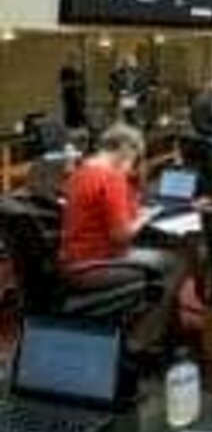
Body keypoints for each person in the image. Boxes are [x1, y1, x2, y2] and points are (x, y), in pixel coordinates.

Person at [60, 124, 186, 352]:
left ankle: (163, 331)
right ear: (125, 150)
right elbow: (122, 235)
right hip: (97, 266)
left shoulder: (82, 171)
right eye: (135, 156)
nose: (135, 162)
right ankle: (140, 340)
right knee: (175, 262)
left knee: (159, 255)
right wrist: (145, 218)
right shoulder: (111, 177)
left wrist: (133, 192)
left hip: (73, 261)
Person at [109, 53, 150, 127]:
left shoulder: (140, 75)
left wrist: (138, 95)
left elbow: (144, 88)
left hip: (137, 102)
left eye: (129, 63)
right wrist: (119, 93)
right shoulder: (118, 75)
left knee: (135, 119)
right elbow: (113, 87)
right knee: (124, 119)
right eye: (125, 63)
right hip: (123, 101)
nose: (127, 66)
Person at [58, 53, 87, 129]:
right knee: (71, 113)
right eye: (72, 59)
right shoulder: (65, 70)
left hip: (77, 97)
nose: (73, 61)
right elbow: (64, 84)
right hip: (70, 97)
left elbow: (82, 84)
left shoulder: (78, 71)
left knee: (79, 112)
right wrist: (74, 84)